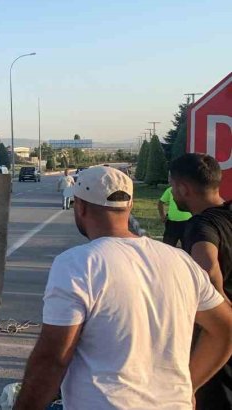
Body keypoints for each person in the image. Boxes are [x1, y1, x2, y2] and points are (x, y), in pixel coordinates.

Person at [14, 166, 232, 410]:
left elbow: (52, 359)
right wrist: (190, 386)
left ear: (80, 207)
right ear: (129, 207)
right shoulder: (180, 261)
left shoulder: (78, 264)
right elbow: (225, 329)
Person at [170, 153, 232, 409]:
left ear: (183, 188)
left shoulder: (201, 224)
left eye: (173, 187)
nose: (172, 193)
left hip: (217, 340)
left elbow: (206, 268)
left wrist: (221, 308)